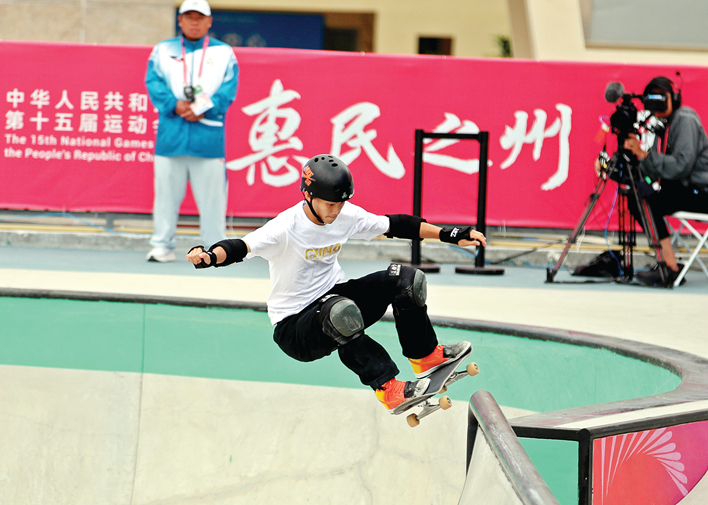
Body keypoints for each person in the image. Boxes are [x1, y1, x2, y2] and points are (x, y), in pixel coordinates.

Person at [186, 154, 487, 410]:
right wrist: (210, 256)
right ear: (308, 196)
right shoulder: (285, 227)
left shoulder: (346, 215)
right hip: (295, 328)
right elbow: (240, 247)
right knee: (340, 311)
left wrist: (451, 234)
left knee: (407, 280)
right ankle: (387, 387)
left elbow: (397, 225)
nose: (336, 211)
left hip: (333, 299)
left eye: (340, 204)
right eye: (330, 204)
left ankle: (425, 356)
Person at [145, 0, 239, 262]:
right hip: (171, 137)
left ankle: (216, 250)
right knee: (165, 197)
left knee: (212, 201)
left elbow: (228, 88)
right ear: (180, 20)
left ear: (209, 21)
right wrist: (174, 104)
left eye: (200, 17)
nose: (194, 22)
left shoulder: (224, 52)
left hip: (207, 139)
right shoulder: (163, 50)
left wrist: (203, 108)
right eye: (189, 16)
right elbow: (153, 81)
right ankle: (162, 246)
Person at [622, 76, 708, 286]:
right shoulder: (666, 125)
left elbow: (681, 166)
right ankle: (667, 262)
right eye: (651, 99)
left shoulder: (685, 120)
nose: (657, 102)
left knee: (645, 202)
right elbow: (657, 168)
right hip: (686, 189)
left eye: (661, 97)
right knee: (637, 197)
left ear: (674, 98)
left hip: (701, 192)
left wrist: (643, 154)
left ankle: (669, 267)